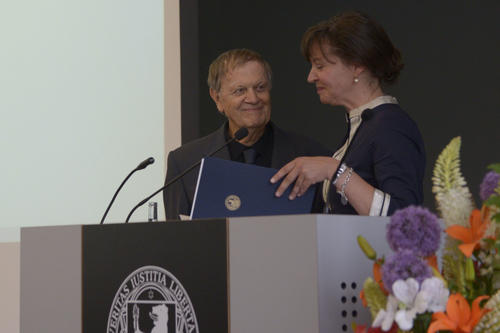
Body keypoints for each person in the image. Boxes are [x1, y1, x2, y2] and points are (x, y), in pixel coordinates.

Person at [271, 11, 425, 216]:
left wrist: (333, 170)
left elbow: (404, 219)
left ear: (357, 65)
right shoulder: (365, 125)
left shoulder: (391, 126)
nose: (310, 77)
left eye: (320, 66)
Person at [163, 48, 330, 219]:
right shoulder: (185, 163)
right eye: (240, 90)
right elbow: (177, 240)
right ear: (217, 98)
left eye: (260, 87)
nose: (253, 98)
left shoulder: (311, 155)